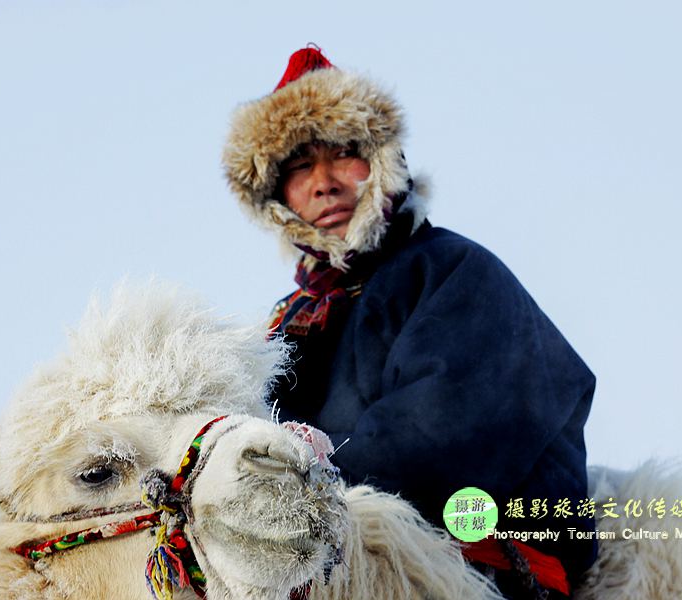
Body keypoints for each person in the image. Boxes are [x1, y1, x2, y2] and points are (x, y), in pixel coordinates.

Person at [222, 46, 597, 599]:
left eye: (344, 154)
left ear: (382, 164)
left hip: (484, 569)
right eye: (300, 167)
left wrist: (297, 489)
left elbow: (441, 435)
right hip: (335, 570)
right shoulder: (289, 324)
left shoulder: (453, 269)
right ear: (278, 196)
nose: (323, 182)